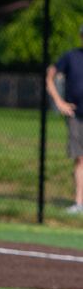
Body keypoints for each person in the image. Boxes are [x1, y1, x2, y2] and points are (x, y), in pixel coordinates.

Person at [47, 24, 83, 215]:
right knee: (80, 158)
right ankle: (79, 203)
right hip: (76, 115)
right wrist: (59, 102)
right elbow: (50, 76)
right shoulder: (71, 57)